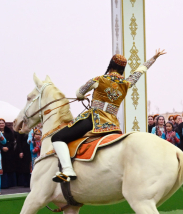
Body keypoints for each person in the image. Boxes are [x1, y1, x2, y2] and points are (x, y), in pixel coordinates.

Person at [50, 49, 164, 183]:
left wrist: (81, 97)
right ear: (122, 69)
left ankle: (68, 169)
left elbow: (79, 93)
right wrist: (153, 58)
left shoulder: (99, 79)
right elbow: (139, 71)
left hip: (93, 120)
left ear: (110, 65)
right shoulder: (127, 84)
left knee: (57, 137)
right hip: (112, 124)